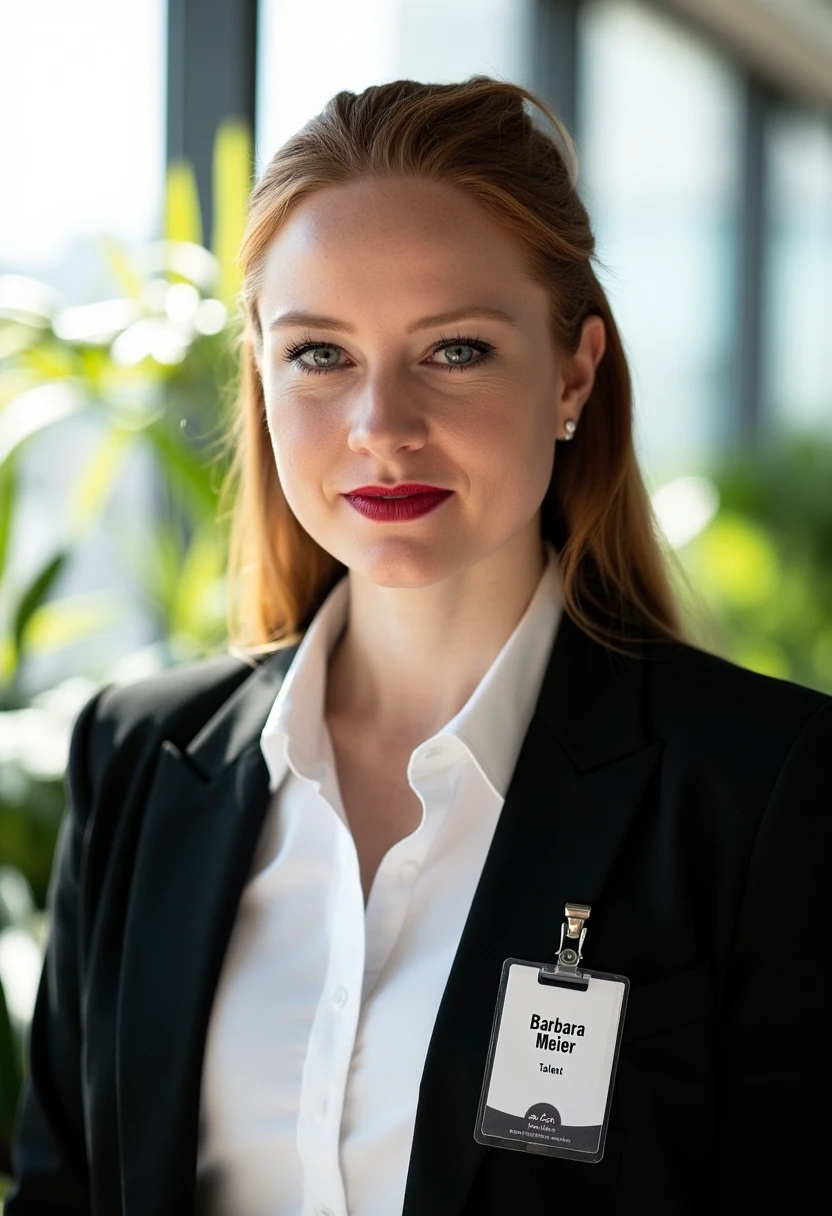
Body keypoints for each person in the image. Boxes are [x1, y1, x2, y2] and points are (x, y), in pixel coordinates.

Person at [6, 76, 830, 1216]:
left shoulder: (760, 790)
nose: (380, 425)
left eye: (453, 351)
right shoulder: (141, 760)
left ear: (573, 372)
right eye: (319, 354)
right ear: (259, 363)